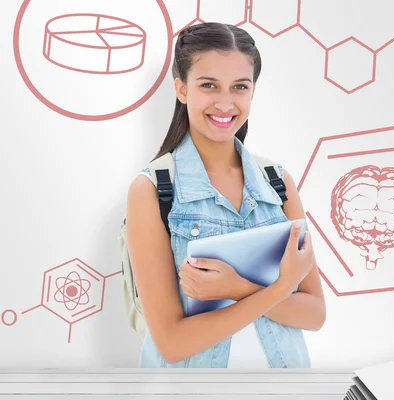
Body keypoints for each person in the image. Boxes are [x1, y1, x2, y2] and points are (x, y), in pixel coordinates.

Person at [125, 22, 326, 368]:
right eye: (208, 85)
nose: (225, 102)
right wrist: (280, 288)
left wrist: (236, 288)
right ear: (182, 89)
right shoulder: (153, 190)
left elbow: (314, 314)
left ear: (252, 92)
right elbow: (172, 344)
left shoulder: (277, 182)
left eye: (239, 87)